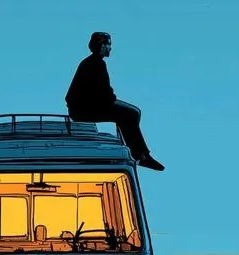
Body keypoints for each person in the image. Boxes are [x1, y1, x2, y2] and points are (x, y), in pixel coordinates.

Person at [65, 32, 165, 171]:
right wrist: (110, 99)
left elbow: (102, 92)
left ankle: (139, 153)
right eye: (108, 44)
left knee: (132, 113)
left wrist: (109, 98)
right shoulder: (94, 64)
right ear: (100, 46)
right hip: (85, 110)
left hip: (90, 106)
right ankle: (141, 156)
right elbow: (102, 93)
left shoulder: (93, 63)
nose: (110, 48)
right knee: (130, 114)